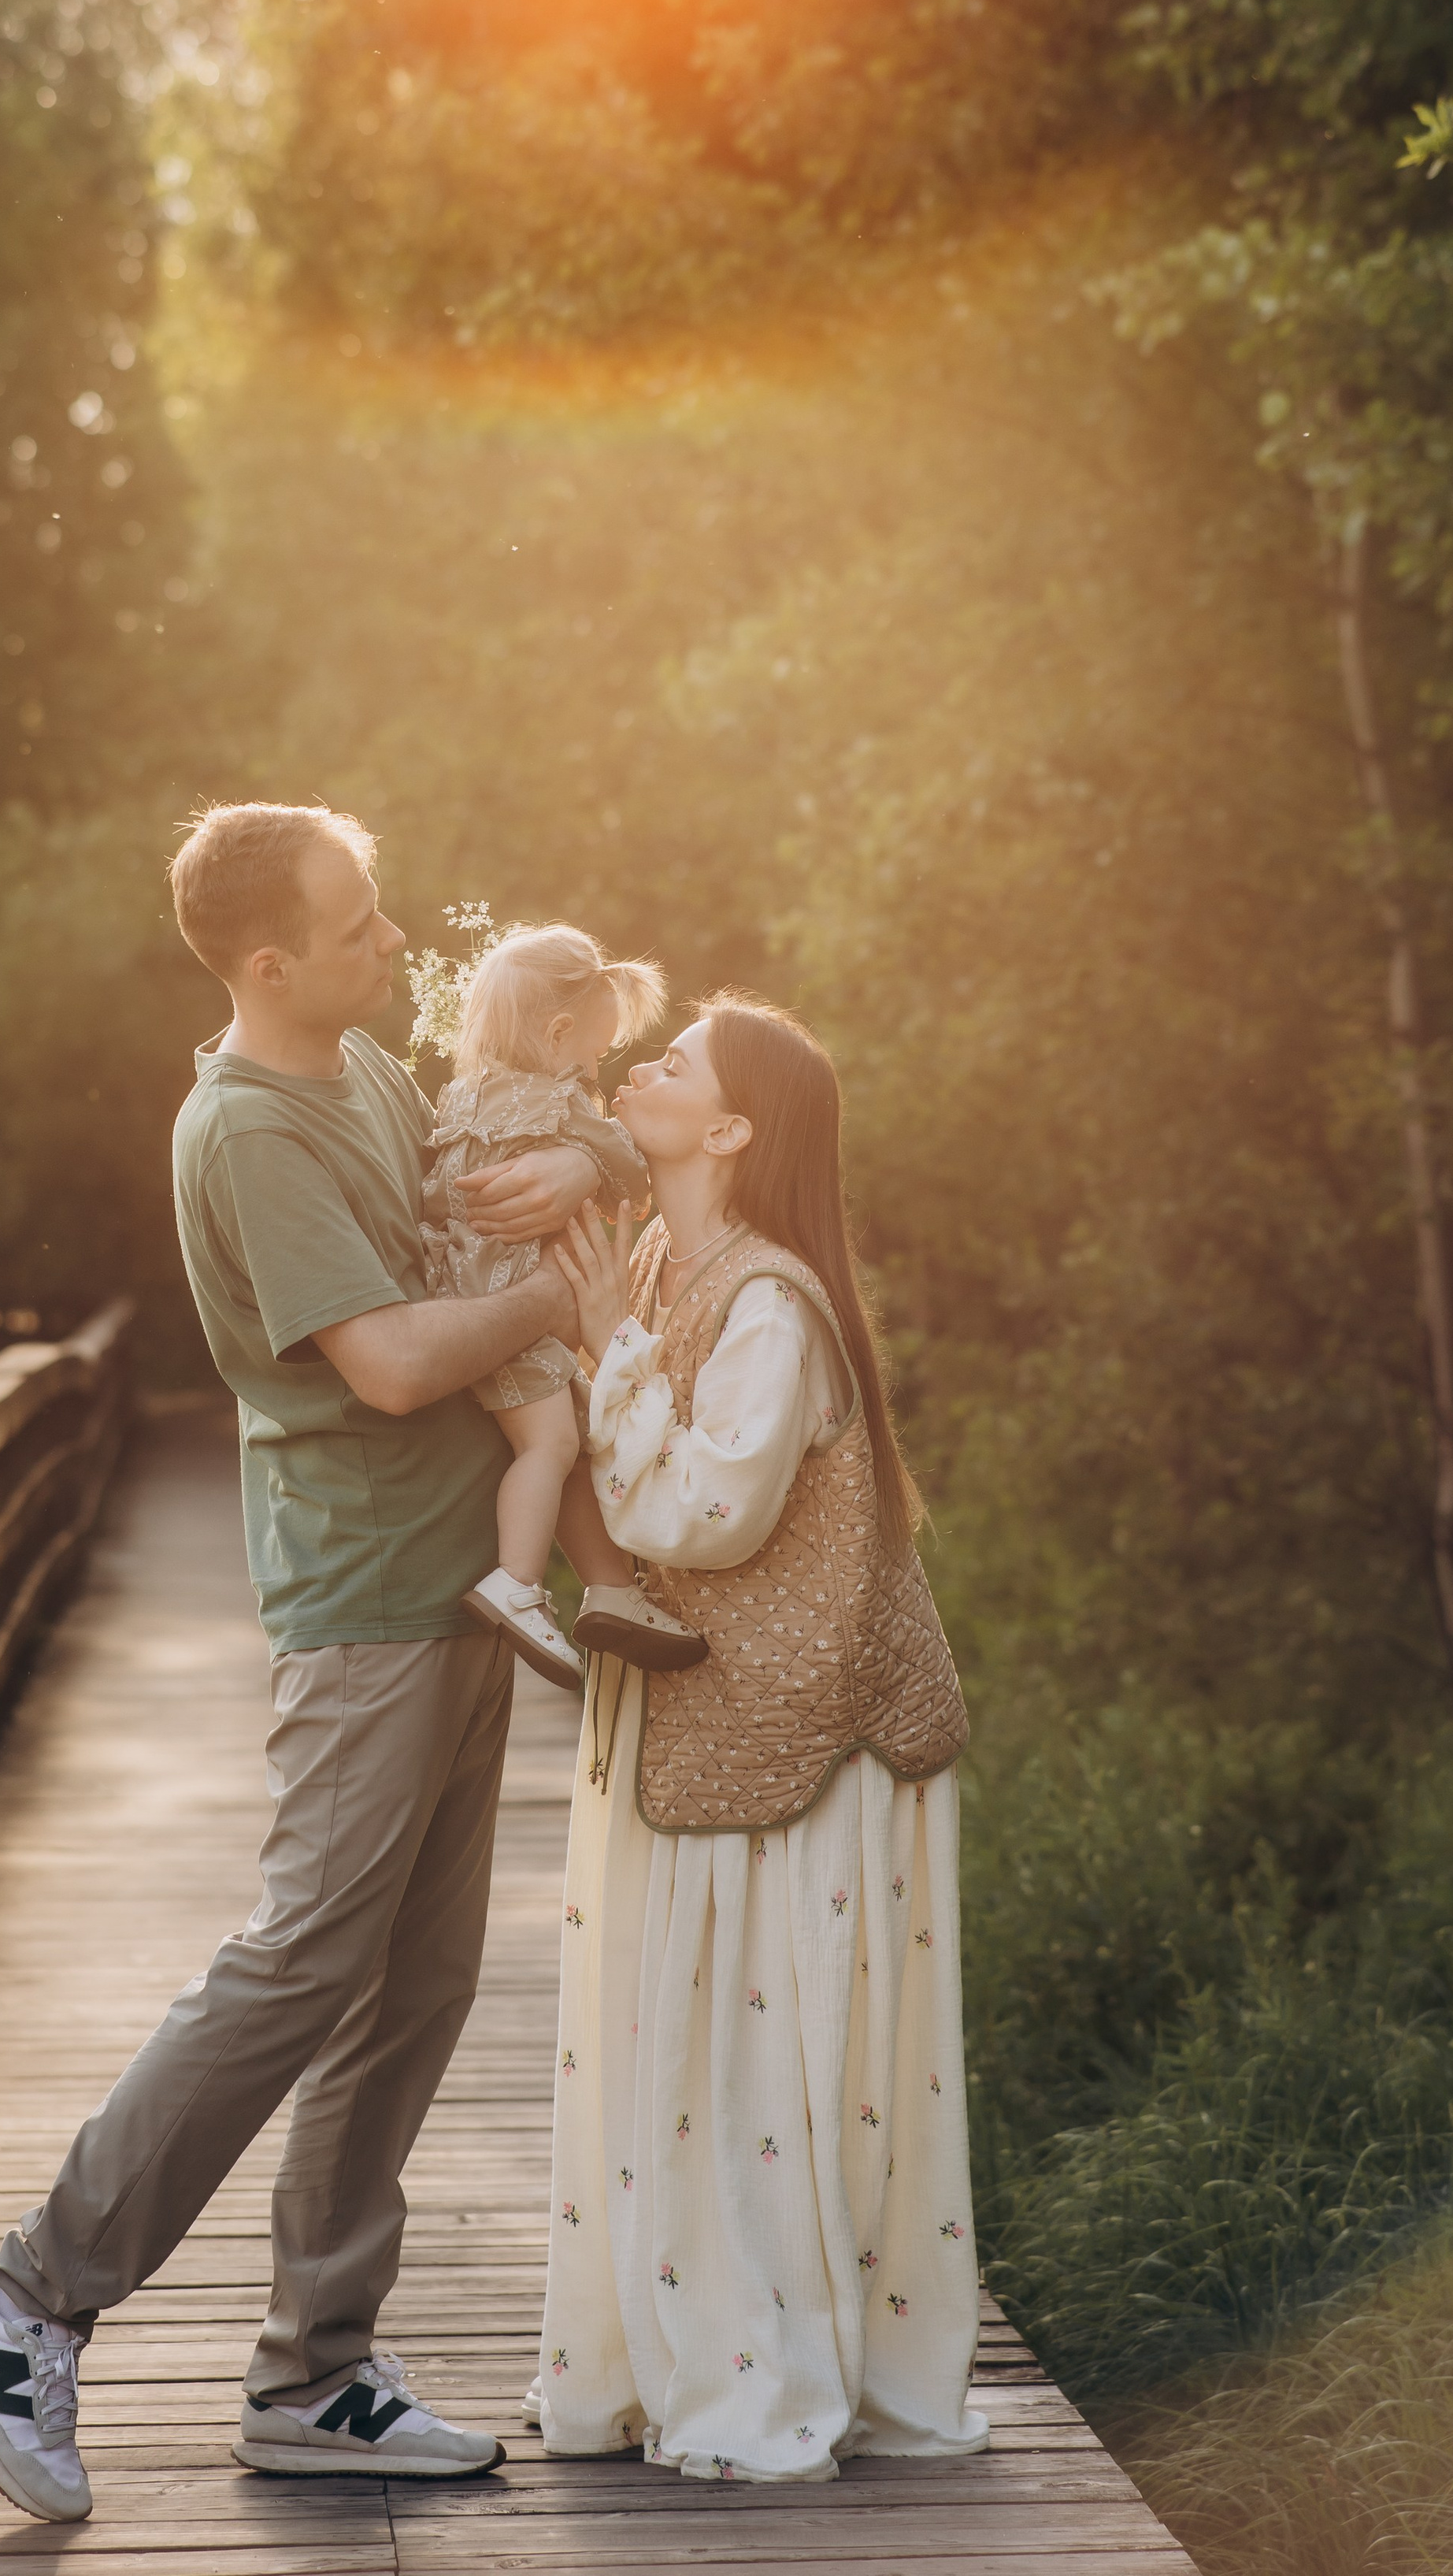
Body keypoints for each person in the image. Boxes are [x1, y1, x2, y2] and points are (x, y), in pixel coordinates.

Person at [0, 801, 613, 2522]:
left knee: (414, 1988)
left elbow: (484, 1170)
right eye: (359, 924)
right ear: (268, 961)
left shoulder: (365, 1068)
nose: (395, 942)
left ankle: (316, 2373)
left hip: (461, 1576)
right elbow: (388, 1365)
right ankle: (26, 2294)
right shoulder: (245, 1129)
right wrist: (554, 1305)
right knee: (303, 1958)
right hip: (367, 1590)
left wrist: (582, 1172)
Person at [532, 995, 986, 2483]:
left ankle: (760, 2373)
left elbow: (706, 1512)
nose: (640, 1065)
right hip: (714, 1719)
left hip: (802, 1737)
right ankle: (681, 2353)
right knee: (694, 2051)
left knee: (750, 2064)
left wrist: (602, 1348)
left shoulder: (773, 1304)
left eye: (674, 1062)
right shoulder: (664, 1261)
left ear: (730, 1129)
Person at [421, 922, 707, 1683]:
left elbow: (436, 1197)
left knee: (574, 1435)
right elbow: (634, 1175)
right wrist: (599, 1154)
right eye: (595, 1053)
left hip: (463, 1306)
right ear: (556, 1035)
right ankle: (517, 1583)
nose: (597, 1070)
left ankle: (611, 1589)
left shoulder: (458, 1099)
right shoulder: (563, 1105)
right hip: (516, 1321)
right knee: (547, 1447)